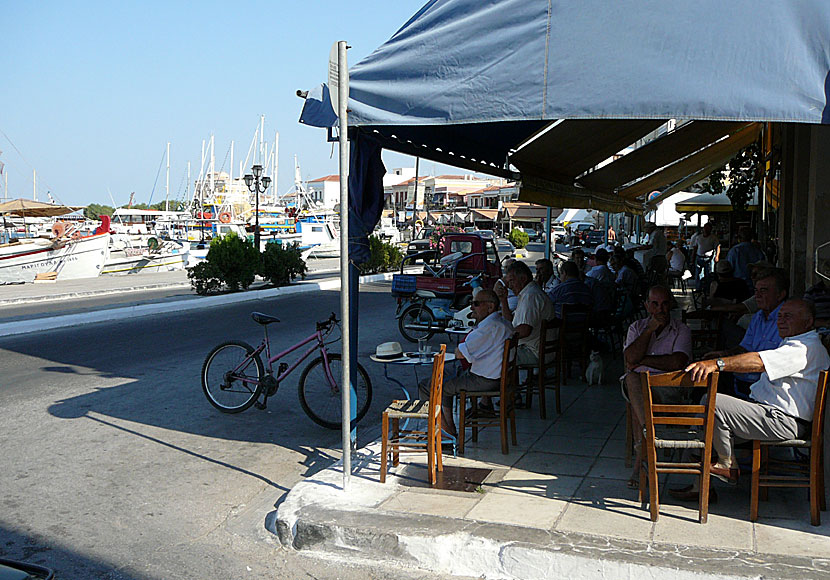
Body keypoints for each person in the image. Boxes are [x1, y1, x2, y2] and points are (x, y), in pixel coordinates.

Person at [677, 299, 830, 493]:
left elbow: (759, 361)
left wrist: (717, 364)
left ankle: (726, 464)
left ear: (808, 322)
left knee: (711, 402)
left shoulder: (804, 348)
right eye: (780, 316)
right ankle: (699, 490)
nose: (781, 321)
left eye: (788, 316)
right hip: (769, 415)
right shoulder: (794, 342)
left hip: (783, 421)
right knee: (703, 424)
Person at [623, 285, 692, 487]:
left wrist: (644, 360)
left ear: (670, 305)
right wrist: (649, 330)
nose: (660, 309)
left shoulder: (682, 330)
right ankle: (648, 436)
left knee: (638, 402)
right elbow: (630, 359)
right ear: (647, 306)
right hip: (640, 385)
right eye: (655, 304)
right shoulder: (636, 328)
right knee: (633, 380)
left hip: (670, 388)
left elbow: (677, 362)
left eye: (664, 304)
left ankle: (643, 453)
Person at [419, 289, 514, 437]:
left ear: (490, 307)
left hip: (484, 379)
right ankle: (449, 427)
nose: (471, 308)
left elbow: (460, 354)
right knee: (442, 377)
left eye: (475, 304)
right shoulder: (502, 323)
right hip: (494, 376)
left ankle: (446, 432)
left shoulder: (489, 328)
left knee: (428, 386)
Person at [704, 268, 789, 396]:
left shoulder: (788, 320)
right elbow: (745, 347)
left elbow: (766, 362)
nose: (757, 296)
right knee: (703, 377)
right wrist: (723, 354)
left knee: (710, 397)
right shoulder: (758, 317)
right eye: (756, 291)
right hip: (743, 380)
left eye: (764, 291)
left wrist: (720, 363)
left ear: (780, 295)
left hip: (767, 388)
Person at [495, 260, 554, 366]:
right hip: (535, 349)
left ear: (523, 279)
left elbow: (524, 330)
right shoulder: (527, 293)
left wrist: (500, 336)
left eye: (512, 281)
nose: (509, 286)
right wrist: (503, 300)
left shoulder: (531, 295)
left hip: (533, 352)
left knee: (491, 355)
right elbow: (509, 322)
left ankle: (499, 382)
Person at [727, 227, 766, 292]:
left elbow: (729, 268)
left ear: (739, 238)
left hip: (738, 285)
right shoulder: (757, 250)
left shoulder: (735, 250)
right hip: (755, 285)